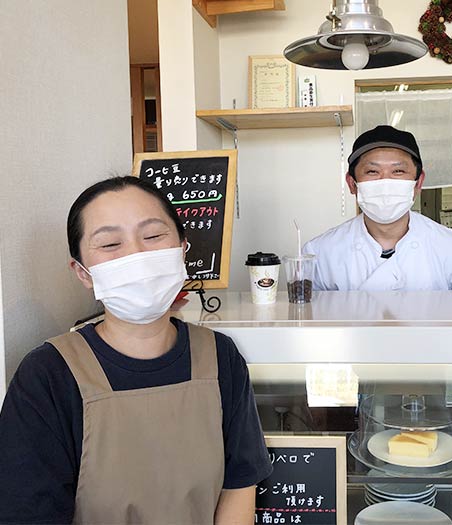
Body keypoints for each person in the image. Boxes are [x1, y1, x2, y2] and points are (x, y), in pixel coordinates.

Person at [0, 176, 272, 524]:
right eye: (111, 244)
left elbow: (239, 485)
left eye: (154, 236)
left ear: (182, 248)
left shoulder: (220, 356)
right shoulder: (48, 375)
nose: (137, 255)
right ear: (82, 272)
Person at [303, 125, 452, 291]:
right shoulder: (319, 253)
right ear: (352, 183)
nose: (385, 182)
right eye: (372, 171)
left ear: (418, 182)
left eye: (398, 171)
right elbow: (309, 320)